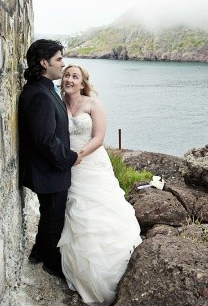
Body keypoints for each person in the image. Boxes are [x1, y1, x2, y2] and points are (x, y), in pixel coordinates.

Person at [57, 64, 142, 305]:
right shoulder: (57, 103)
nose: (70, 79)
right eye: (67, 75)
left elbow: (99, 138)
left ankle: (111, 271)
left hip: (90, 163)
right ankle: (81, 273)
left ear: (83, 83)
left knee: (100, 212)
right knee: (75, 213)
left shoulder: (93, 105)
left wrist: (79, 155)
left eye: (75, 77)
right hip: (67, 166)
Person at [18, 39, 81, 279]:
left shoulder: (43, 88)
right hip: (50, 171)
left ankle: (37, 252)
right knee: (54, 219)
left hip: (49, 170)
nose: (62, 64)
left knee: (49, 216)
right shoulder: (40, 94)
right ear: (44, 63)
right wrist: (69, 158)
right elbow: (45, 140)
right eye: (59, 59)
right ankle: (51, 264)